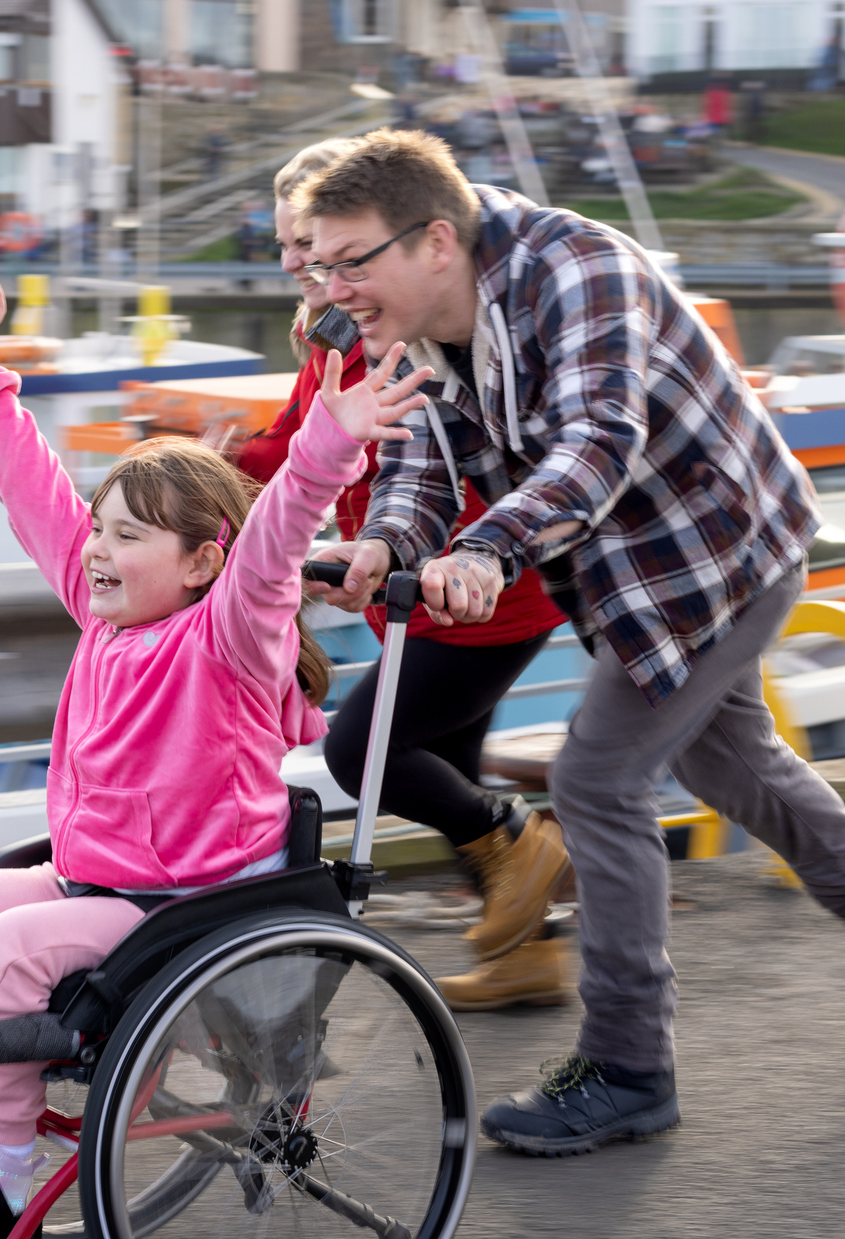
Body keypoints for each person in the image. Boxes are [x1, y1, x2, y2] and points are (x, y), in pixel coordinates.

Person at [298, 131, 845, 1157]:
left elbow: (593, 442)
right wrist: (387, 544)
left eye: (349, 261)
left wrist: (487, 548)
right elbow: (419, 470)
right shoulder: (411, 323)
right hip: (625, 575)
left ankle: (628, 1064)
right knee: (725, 760)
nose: (330, 286)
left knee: (598, 776)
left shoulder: (579, 270)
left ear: (432, 239)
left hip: (720, 547)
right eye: (318, 262)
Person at [0, 283, 433, 1218]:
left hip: (184, 906)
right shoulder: (106, 610)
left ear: (200, 562)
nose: (97, 549)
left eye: (128, 536)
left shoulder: (230, 633)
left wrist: (327, 445)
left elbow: (272, 546)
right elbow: (31, 491)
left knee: (7, 952)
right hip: (96, 883)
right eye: (99, 530)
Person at [238, 139, 576, 1011]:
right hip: (422, 585)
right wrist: (213, 475)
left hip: (465, 588)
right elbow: (294, 433)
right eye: (288, 247)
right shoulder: (330, 329)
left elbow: (344, 446)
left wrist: (238, 485)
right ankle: (527, 955)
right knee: (450, 766)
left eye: (311, 247)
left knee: (365, 752)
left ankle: (524, 849)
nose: (297, 263)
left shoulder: (383, 331)